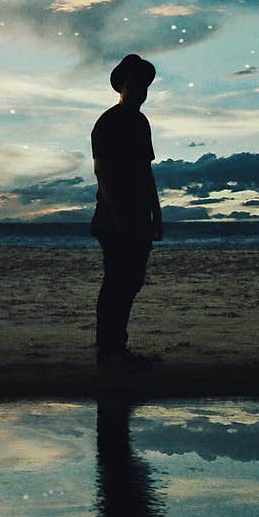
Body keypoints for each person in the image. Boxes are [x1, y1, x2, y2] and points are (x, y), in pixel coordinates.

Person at [90, 53, 162, 368]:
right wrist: (119, 215)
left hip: (137, 216)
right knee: (117, 281)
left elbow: (146, 172)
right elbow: (102, 173)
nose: (139, 92)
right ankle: (109, 348)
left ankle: (116, 345)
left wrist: (156, 214)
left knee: (131, 281)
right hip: (112, 219)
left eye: (143, 87)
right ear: (121, 87)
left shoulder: (140, 122)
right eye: (133, 86)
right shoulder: (107, 123)